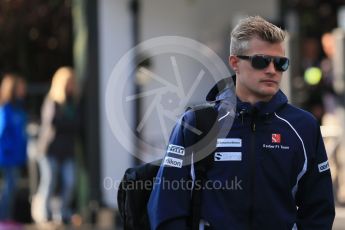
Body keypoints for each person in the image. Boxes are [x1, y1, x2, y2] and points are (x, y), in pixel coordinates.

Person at [147, 16, 335, 229]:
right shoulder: (197, 124)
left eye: (281, 63)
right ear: (235, 62)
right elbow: (166, 209)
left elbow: (319, 210)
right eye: (261, 61)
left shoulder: (303, 126)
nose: (272, 70)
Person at [33, 67, 79, 224]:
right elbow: (52, 123)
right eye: (68, 83)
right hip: (49, 149)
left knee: (70, 181)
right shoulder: (52, 101)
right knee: (49, 181)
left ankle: (63, 212)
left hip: (67, 150)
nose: (70, 86)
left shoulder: (74, 102)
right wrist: (68, 123)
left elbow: (77, 125)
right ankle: (44, 215)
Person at [0, 73, 28, 222]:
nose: (23, 90)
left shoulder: (20, 108)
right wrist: (10, 150)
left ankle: (7, 218)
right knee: (8, 189)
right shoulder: (6, 109)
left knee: (12, 189)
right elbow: (3, 133)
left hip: (17, 156)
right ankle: (3, 219)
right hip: (8, 157)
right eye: (20, 88)